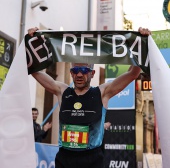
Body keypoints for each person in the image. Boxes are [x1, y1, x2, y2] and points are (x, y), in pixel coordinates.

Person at [28, 27, 151, 168]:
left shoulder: (102, 92)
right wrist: (33, 43)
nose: (79, 75)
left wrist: (140, 43)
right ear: (71, 73)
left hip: (92, 159)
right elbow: (35, 71)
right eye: (75, 70)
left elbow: (132, 74)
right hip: (65, 158)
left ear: (92, 73)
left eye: (84, 70)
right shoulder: (62, 91)